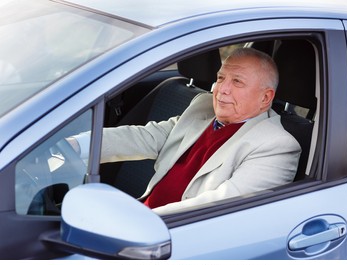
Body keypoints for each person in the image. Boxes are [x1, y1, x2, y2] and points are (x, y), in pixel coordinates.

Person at [71, 48, 301, 215]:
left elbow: (220, 207)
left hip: (176, 237)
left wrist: (135, 219)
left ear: (265, 97)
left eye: (237, 82)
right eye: (221, 78)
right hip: (142, 215)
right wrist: (74, 145)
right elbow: (145, 137)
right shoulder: (202, 106)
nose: (222, 90)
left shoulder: (277, 146)